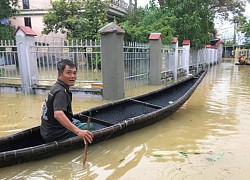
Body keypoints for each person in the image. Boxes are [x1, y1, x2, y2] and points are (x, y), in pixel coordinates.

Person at [40, 59, 94, 144]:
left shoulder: (56, 87)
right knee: (90, 127)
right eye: (68, 73)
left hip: (46, 131)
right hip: (56, 134)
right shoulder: (61, 92)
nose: (72, 76)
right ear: (60, 74)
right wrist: (79, 132)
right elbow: (58, 114)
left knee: (76, 121)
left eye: (74, 73)